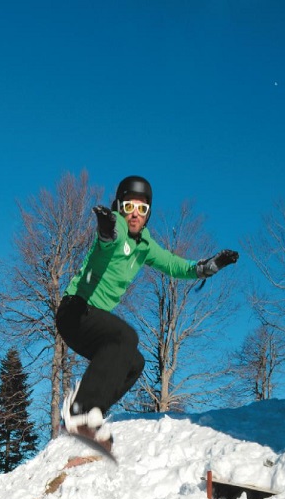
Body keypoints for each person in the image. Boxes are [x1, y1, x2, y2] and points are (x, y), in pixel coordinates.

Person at [56, 175, 238, 451]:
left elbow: (175, 265)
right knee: (125, 337)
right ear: (119, 207)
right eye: (129, 207)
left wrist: (208, 267)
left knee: (134, 363)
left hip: (91, 322)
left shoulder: (145, 245)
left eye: (142, 209)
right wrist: (106, 228)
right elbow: (108, 241)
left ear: (148, 214)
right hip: (75, 309)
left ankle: (92, 416)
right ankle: (80, 409)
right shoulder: (115, 225)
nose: (135, 215)